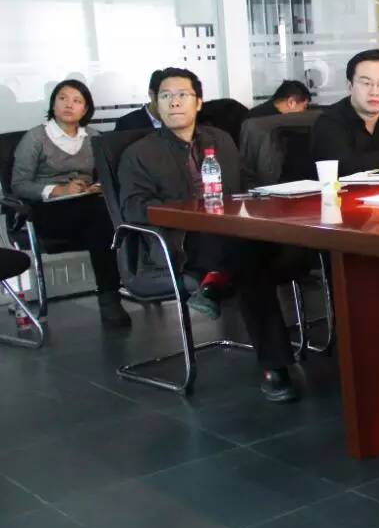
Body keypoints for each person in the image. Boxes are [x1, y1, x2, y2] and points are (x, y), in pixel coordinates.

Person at [118, 68, 306, 402]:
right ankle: (274, 366)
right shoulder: (140, 153)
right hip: (181, 241)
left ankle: (215, 284)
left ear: (199, 102)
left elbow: (244, 182)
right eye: (166, 96)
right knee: (251, 264)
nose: (174, 102)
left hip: (232, 233)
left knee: (270, 251)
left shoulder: (219, 140)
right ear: (156, 103)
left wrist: (269, 195)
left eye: (183, 95)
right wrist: (191, 211)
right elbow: (133, 208)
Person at [10, 79, 129, 327]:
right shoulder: (35, 138)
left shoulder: (93, 137)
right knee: (102, 220)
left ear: (85, 109)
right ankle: (110, 296)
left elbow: (108, 177)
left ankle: (112, 293)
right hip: (46, 212)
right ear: (53, 105)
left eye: (76, 101)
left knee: (103, 214)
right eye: (62, 98)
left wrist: (96, 186)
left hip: (87, 209)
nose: (68, 105)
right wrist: (58, 190)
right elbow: (19, 185)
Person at [246, 80, 312, 119]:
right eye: (304, 107)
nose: (304, 111)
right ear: (291, 102)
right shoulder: (264, 121)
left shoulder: (261, 112)